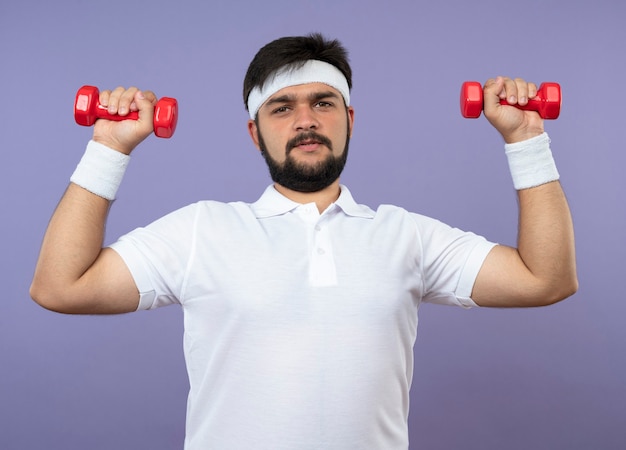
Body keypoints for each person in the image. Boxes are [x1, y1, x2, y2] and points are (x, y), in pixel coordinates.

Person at [30, 33, 577, 449]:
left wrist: (526, 137)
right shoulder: (201, 230)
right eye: (282, 107)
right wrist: (108, 146)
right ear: (255, 130)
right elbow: (61, 287)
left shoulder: (405, 234)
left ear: (349, 119)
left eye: (323, 103)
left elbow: (544, 280)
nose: (306, 121)